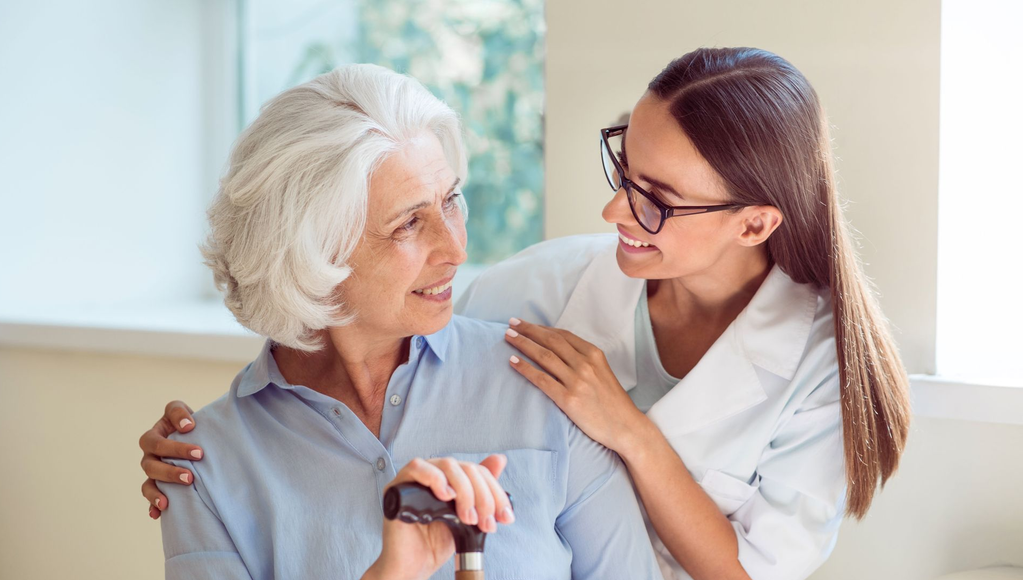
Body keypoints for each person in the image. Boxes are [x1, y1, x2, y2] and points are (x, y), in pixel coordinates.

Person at [140, 48, 911, 580]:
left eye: (659, 200)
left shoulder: (817, 364)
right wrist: (211, 440)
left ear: (754, 224)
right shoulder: (533, 301)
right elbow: (348, 335)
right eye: (623, 168)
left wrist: (628, 430)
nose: (616, 209)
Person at [146, 63, 664, 580]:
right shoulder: (203, 464)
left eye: (450, 201)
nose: (456, 248)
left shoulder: (550, 386)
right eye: (409, 222)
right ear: (310, 252)